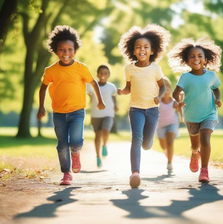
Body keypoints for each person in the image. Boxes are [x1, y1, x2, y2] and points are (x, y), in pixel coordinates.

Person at [37, 25, 105, 186]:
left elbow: (93, 83)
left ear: (75, 50)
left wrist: (100, 101)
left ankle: (76, 153)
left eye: (70, 49)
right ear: (55, 50)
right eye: (61, 50)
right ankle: (66, 173)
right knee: (61, 145)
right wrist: (41, 107)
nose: (66, 53)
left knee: (76, 141)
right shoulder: (51, 70)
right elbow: (43, 87)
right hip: (58, 113)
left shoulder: (81, 68)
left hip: (77, 111)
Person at [118, 24, 171, 188]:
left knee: (147, 144)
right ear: (132, 51)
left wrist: (159, 97)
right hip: (135, 109)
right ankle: (135, 172)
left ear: (152, 50)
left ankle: (148, 141)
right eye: (138, 47)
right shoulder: (129, 69)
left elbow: (163, 86)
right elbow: (129, 87)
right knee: (136, 139)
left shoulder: (156, 68)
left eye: (146, 47)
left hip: (152, 110)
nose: (142, 49)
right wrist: (123, 91)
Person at [169, 37, 222, 183]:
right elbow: (175, 93)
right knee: (195, 144)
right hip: (191, 115)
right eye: (192, 56)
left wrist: (217, 99)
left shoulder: (211, 75)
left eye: (199, 56)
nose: (196, 59)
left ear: (205, 60)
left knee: (205, 138)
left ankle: (204, 171)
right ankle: (194, 153)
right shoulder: (185, 77)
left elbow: (216, 89)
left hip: (209, 113)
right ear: (187, 61)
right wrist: (179, 101)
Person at [87, 64, 117, 168]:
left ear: (108, 75)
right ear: (97, 74)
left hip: (108, 113)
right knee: (97, 136)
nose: (103, 75)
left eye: (106, 73)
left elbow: (114, 98)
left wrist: (116, 106)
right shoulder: (92, 85)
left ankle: (104, 145)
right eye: (101, 73)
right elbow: (88, 95)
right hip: (96, 114)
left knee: (106, 130)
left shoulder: (111, 86)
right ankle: (98, 157)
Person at [156, 77, 181, 174]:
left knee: (170, 142)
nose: (166, 90)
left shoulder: (174, 101)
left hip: (172, 124)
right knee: (163, 146)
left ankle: (170, 162)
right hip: (160, 126)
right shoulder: (158, 102)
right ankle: (168, 154)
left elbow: (179, 110)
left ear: (170, 89)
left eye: (168, 87)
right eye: (163, 88)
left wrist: (179, 107)